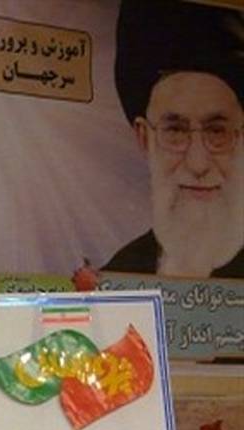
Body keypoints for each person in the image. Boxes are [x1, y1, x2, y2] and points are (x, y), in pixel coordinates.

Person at [104, 0, 243, 279]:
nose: (198, 164)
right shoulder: (118, 276)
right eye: (175, 131)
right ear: (144, 137)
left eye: (217, 132)